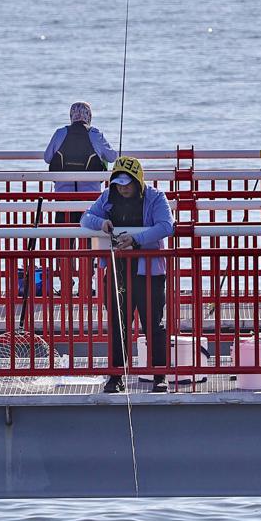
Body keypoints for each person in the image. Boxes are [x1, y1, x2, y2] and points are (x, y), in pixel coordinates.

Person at [80, 157, 174, 393]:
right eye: (118, 184)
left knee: (153, 325)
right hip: (117, 270)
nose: (122, 189)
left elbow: (166, 226)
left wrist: (136, 239)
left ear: (138, 181)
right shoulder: (107, 197)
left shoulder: (156, 197)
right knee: (117, 325)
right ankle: (115, 376)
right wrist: (101, 223)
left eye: (127, 184)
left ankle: (159, 375)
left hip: (149, 273)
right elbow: (85, 218)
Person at [44, 102, 118, 294]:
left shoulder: (60, 133)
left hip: (63, 201)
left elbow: (47, 157)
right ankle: (86, 285)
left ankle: (66, 285)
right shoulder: (95, 134)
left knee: (64, 244)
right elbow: (112, 156)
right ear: (89, 117)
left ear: (71, 117)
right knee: (88, 242)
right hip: (89, 201)